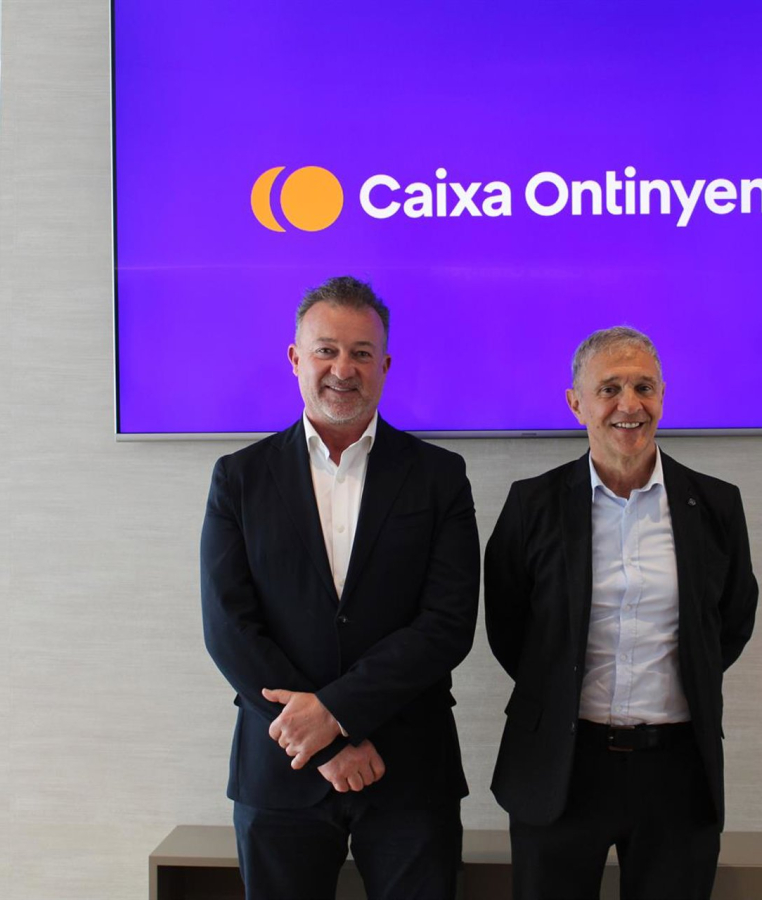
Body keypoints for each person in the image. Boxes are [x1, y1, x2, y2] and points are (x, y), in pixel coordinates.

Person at [201, 276, 480, 900]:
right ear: (296, 358)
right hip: (282, 767)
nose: (343, 369)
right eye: (326, 350)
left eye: (361, 353)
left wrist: (335, 715)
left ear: (385, 365)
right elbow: (228, 628)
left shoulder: (439, 476)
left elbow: (447, 624)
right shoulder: (239, 478)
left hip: (409, 767)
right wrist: (324, 743)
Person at [484, 326, 758, 900]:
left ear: (663, 396)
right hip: (561, 766)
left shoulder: (715, 504)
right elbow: (511, 629)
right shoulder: (532, 505)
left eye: (644, 387)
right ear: (576, 403)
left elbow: (729, 623)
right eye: (609, 388)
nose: (629, 405)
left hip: (678, 772)